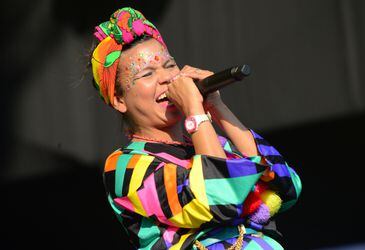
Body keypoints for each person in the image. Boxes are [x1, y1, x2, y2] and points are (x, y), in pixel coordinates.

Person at [91, 7, 302, 250]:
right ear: (119, 100)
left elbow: (287, 186)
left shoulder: (214, 145)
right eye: (147, 74)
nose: (167, 78)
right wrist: (194, 111)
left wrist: (216, 107)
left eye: (170, 66)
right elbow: (219, 198)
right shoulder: (124, 166)